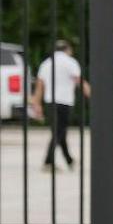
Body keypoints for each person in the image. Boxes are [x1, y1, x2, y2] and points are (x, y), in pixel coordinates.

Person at [28, 40, 89, 171]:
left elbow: (39, 86)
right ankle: (48, 161)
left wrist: (36, 104)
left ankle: (69, 160)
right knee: (59, 131)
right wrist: (92, 95)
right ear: (67, 49)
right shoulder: (70, 62)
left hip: (50, 101)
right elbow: (79, 81)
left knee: (60, 131)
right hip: (64, 102)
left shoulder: (46, 63)